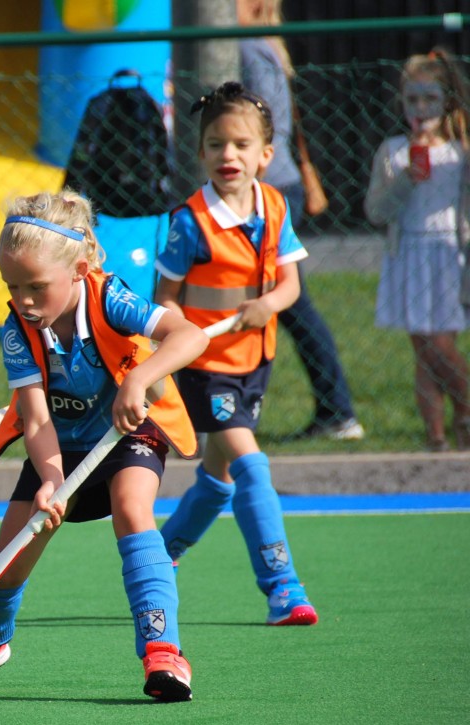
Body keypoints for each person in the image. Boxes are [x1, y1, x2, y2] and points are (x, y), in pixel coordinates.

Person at [0, 189, 207, 702]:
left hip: (127, 432)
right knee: (13, 549)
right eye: (13, 286)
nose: (24, 300)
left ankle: (163, 650)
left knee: (132, 509)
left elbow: (190, 335)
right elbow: (36, 418)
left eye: (36, 286)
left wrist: (138, 379)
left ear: (79, 270)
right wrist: (52, 480)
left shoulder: (110, 298)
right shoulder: (18, 329)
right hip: (60, 442)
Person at [154, 81, 319, 627]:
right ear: (200, 152)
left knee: (218, 475)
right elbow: (164, 300)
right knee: (252, 465)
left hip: (255, 360)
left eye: (242, 144)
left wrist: (267, 304)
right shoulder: (188, 222)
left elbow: (290, 285)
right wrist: (184, 337)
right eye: (216, 144)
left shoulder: (275, 205)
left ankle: (164, 551)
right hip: (207, 369)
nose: (229, 154)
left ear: (265, 154)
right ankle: (283, 588)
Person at [237, 0, 364, 441]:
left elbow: (262, 125)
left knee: (287, 302)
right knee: (284, 303)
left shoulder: (248, 49)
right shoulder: (260, 46)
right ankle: (332, 410)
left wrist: (248, 188)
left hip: (266, 188)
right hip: (272, 184)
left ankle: (336, 410)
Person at [364, 49, 470, 452]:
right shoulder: (393, 151)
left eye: (430, 99)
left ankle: (465, 409)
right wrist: (406, 179)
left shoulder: (460, 152)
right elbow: (376, 211)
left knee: (440, 345)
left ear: (447, 102)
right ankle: (436, 436)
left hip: (449, 254)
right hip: (408, 252)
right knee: (423, 350)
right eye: (412, 99)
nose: (421, 109)